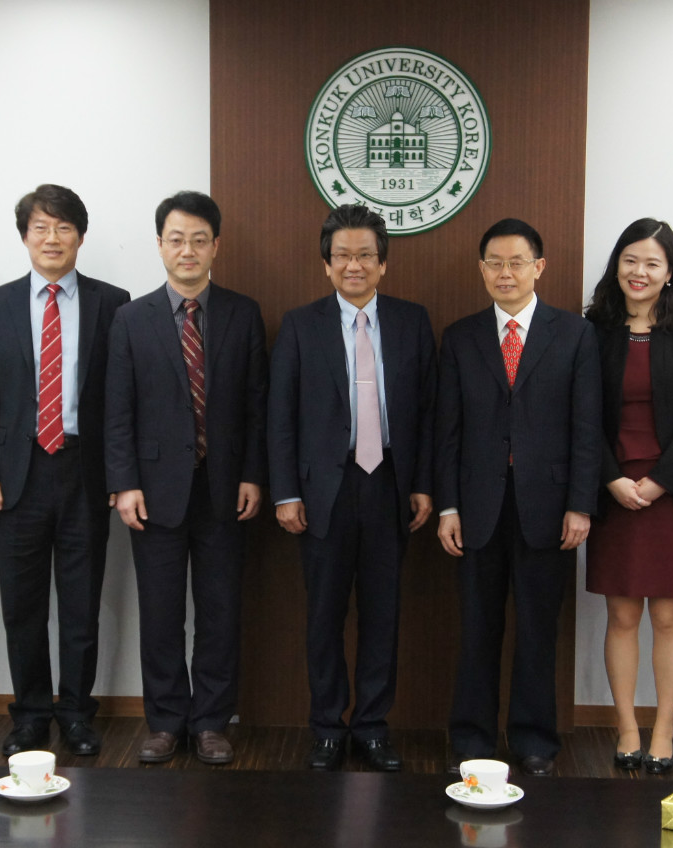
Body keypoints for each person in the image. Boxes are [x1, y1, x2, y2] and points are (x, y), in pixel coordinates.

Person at [268, 205, 437, 772]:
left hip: (390, 484)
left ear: (383, 263)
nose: (354, 265)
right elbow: (280, 416)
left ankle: (371, 726)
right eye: (342, 255)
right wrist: (286, 492)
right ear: (326, 264)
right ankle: (326, 727)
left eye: (366, 255)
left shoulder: (412, 322)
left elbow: (429, 412)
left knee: (383, 614)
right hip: (324, 490)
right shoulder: (300, 325)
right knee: (324, 615)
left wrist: (423, 484)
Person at [106, 190, 268, 765]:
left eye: (200, 240)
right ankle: (166, 721)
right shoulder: (131, 318)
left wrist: (253, 474)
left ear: (216, 246)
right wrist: (124, 483)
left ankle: (212, 722)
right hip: (153, 491)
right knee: (161, 612)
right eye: (176, 239)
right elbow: (117, 409)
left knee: (220, 611)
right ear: (160, 245)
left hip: (224, 487)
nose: (188, 250)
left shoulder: (243, 314)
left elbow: (257, 404)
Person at [0, 185, 130, 757]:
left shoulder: (113, 302)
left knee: (82, 605)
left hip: (85, 471)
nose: (52, 238)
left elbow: (120, 397)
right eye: (41, 227)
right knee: (23, 607)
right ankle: (31, 714)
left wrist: (119, 474)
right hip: (17, 476)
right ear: (24, 237)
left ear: (80, 236)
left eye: (63, 227)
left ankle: (77, 714)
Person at [436, 218, 600, 778]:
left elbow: (586, 427)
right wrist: (448, 506)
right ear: (482, 270)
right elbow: (447, 430)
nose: (505, 273)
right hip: (477, 507)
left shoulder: (574, 334)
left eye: (517, 262)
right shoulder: (460, 337)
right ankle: (471, 739)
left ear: (539, 267)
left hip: (548, 507)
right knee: (476, 629)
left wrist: (580, 504)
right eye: (495, 263)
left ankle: (534, 740)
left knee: (537, 630)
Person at [583, 218, 673, 775]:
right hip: (613, 488)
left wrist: (660, 480)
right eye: (630, 260)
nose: (639, 272)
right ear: (617, 264)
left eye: (652, 263)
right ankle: (626, 728)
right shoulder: (594, 326)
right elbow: (581, 414)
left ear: (669, 272)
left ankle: (663, 728)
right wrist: (612, 478)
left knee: (666, 616)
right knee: (620, 615)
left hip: (671, 490)